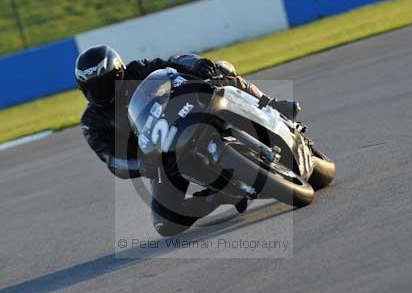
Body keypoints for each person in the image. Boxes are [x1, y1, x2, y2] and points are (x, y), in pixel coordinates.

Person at [77, 45, 301, 236]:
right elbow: (113, 160)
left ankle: (269, 104)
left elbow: (172, 63)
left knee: (220, 68)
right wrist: (142, 164)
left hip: (188, 112)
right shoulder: (92, 122)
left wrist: (197, 64)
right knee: (165, 223)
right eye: (93, 88)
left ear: (119, 72)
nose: (101, 91)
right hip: (161, 156)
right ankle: (220, 195)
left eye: (105, 82)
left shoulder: (139, 70)